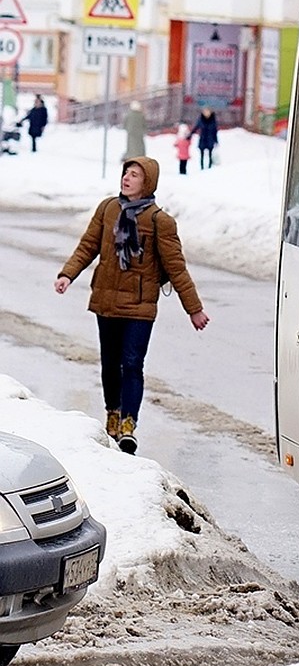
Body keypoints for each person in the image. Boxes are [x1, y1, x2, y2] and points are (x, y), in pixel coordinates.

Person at [54, 156, 209, 454]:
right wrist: (67, 274)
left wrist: (194, 309)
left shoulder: (159, 221)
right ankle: (112, 413)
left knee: (132, 364)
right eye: (126, 173)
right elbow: (88, 245)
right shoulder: (108, 209)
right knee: (110, 364)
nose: (127, 178)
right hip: (106, 300)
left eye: (135, 175)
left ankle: (128, 423)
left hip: (139, 305)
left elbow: (176, 268)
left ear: (147, 182)